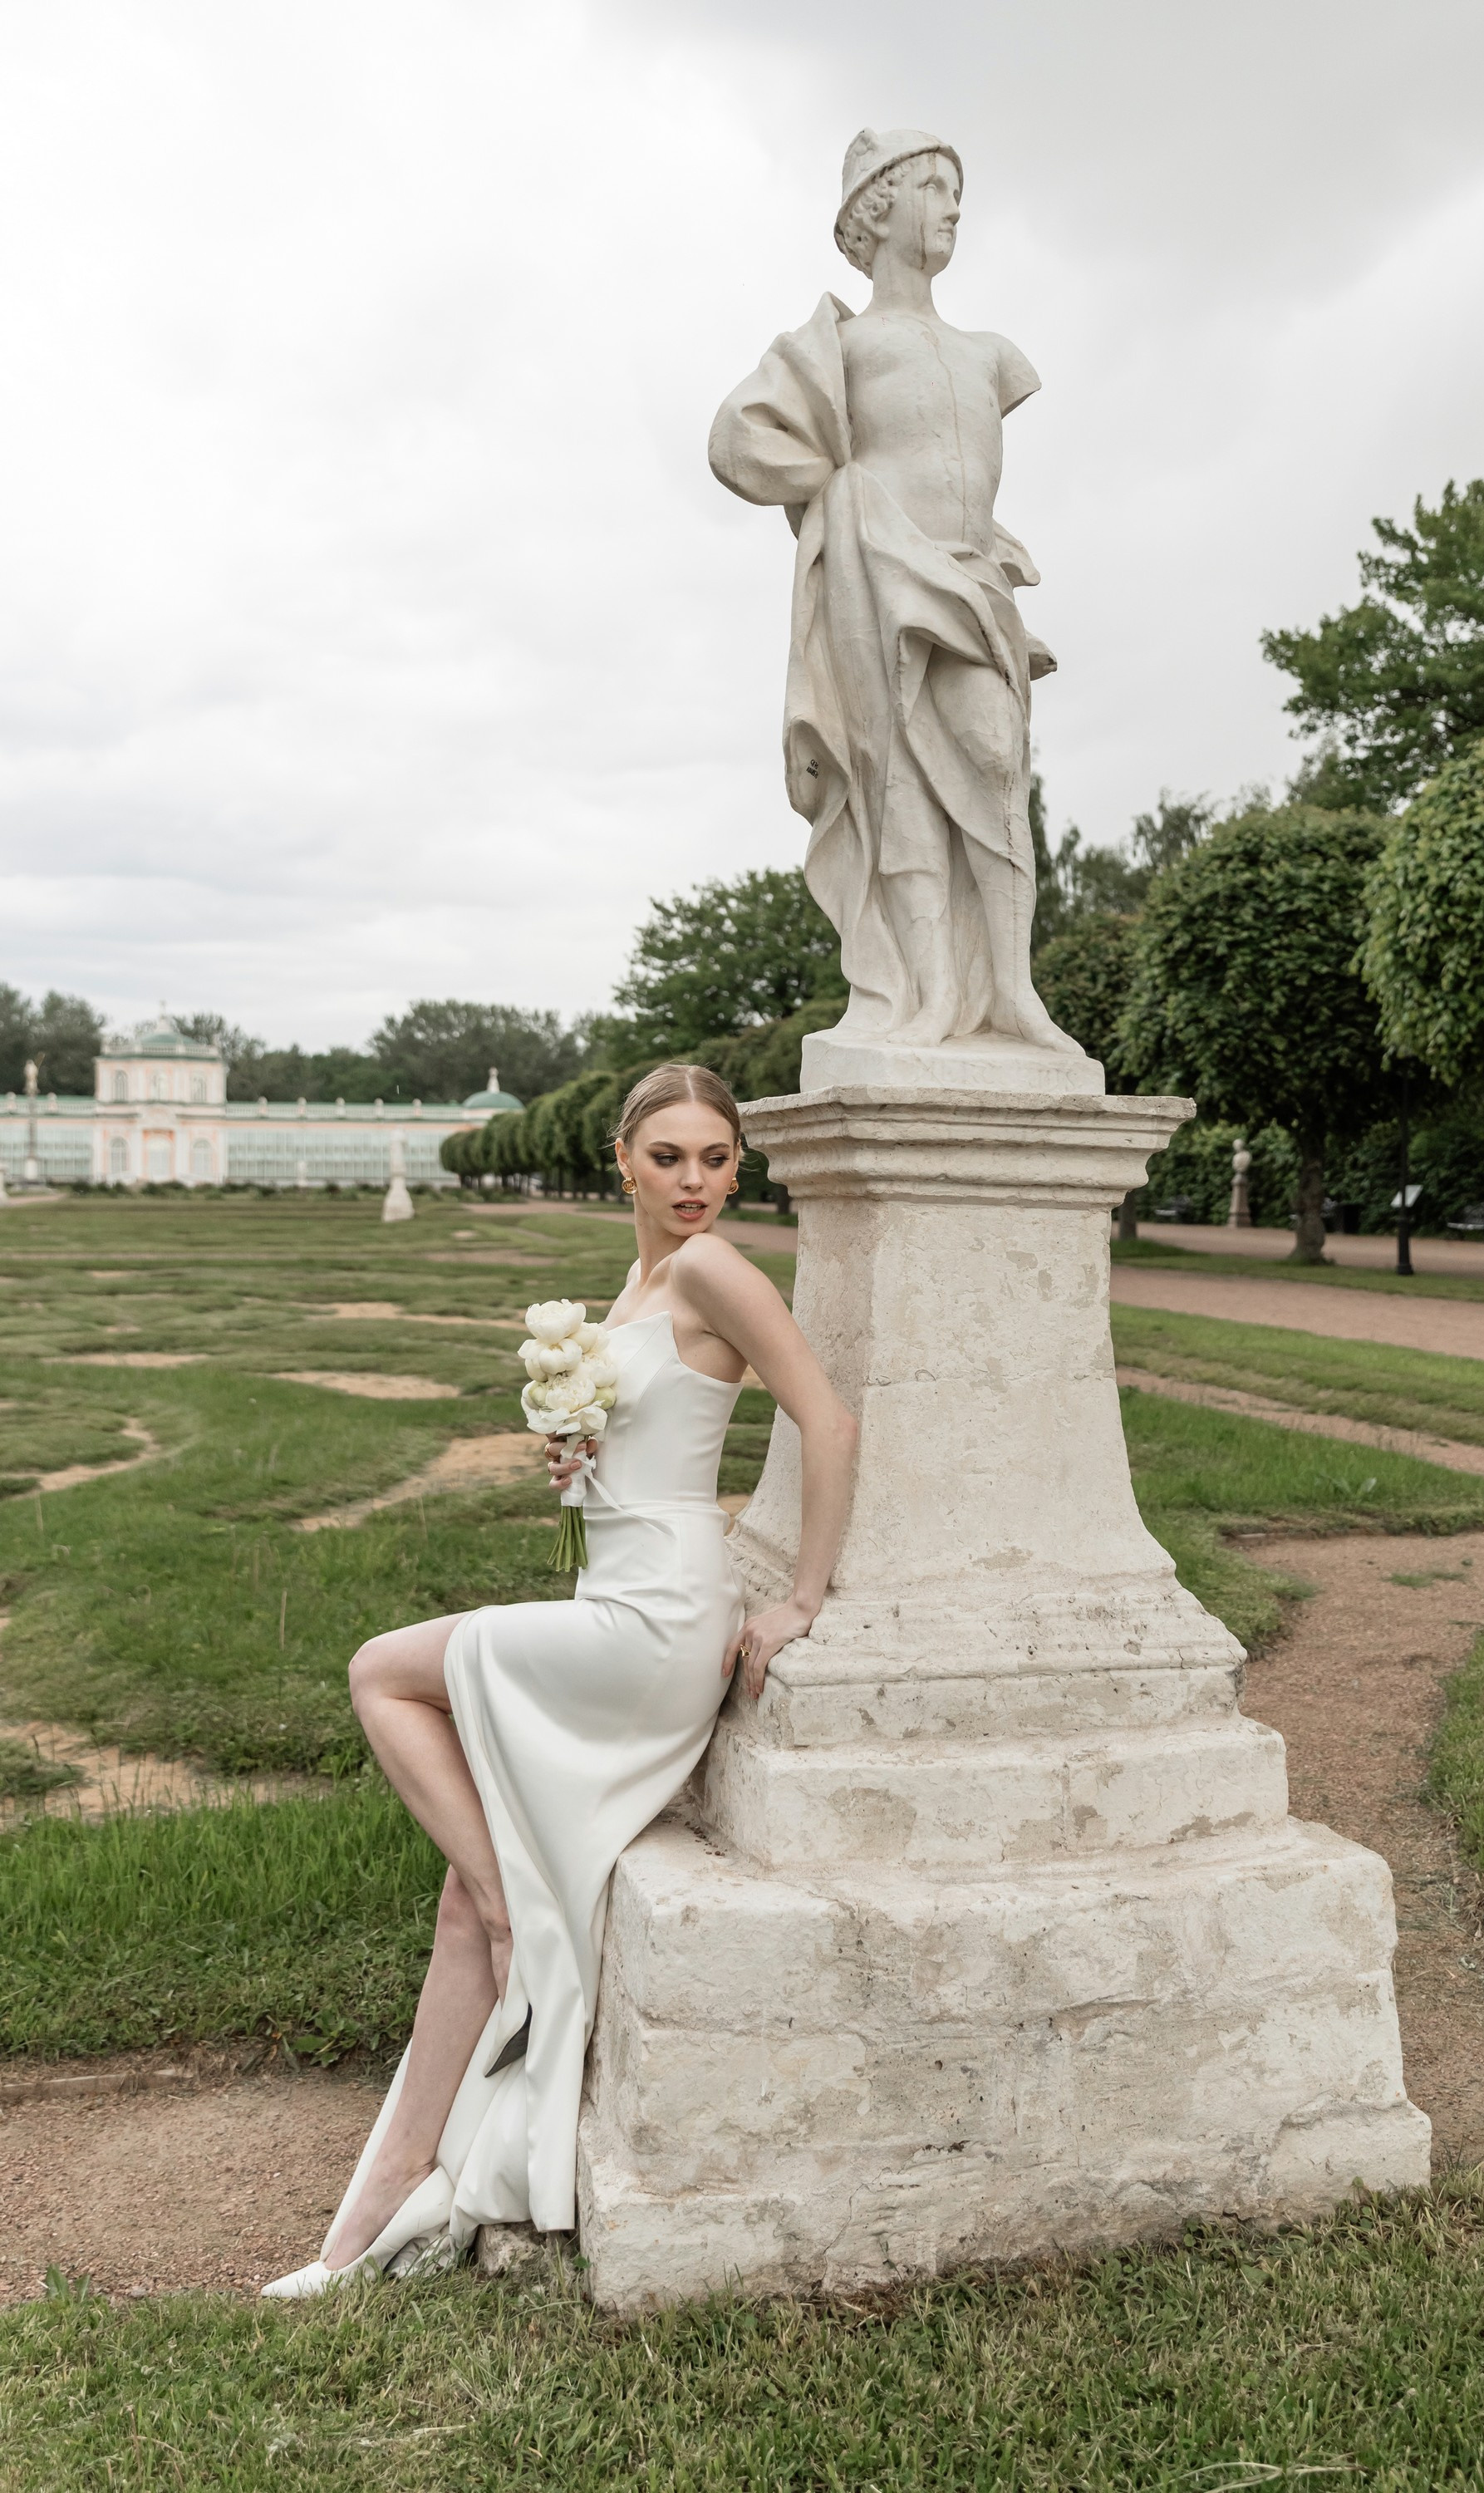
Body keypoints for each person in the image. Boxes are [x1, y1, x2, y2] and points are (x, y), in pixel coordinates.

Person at [262, 1064, 857, 2294]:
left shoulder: (708, 1269)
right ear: (622, 1162)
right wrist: (580, 1457)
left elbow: (829, 1421)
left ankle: (507, 1909)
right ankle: (364, 2220)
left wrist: (798, 1597)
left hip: (656, 1622)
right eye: (672, 1159)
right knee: (452, 1909)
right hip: (614, 1597)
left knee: (384, 1674)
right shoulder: (638, 1284)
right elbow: (651, 1435)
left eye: (717, 1159)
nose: (697, 1182)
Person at [709, 127, 1084, 1065]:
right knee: (896, 787)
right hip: (878, 580)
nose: (954, 208)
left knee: (997, 762)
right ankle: (933, 990)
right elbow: (736, 443)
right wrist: (844, 500)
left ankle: (1011, 990)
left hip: (970, 582)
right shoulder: (838, 346)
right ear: (877, 209)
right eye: (934, 187)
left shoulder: (992, 355)